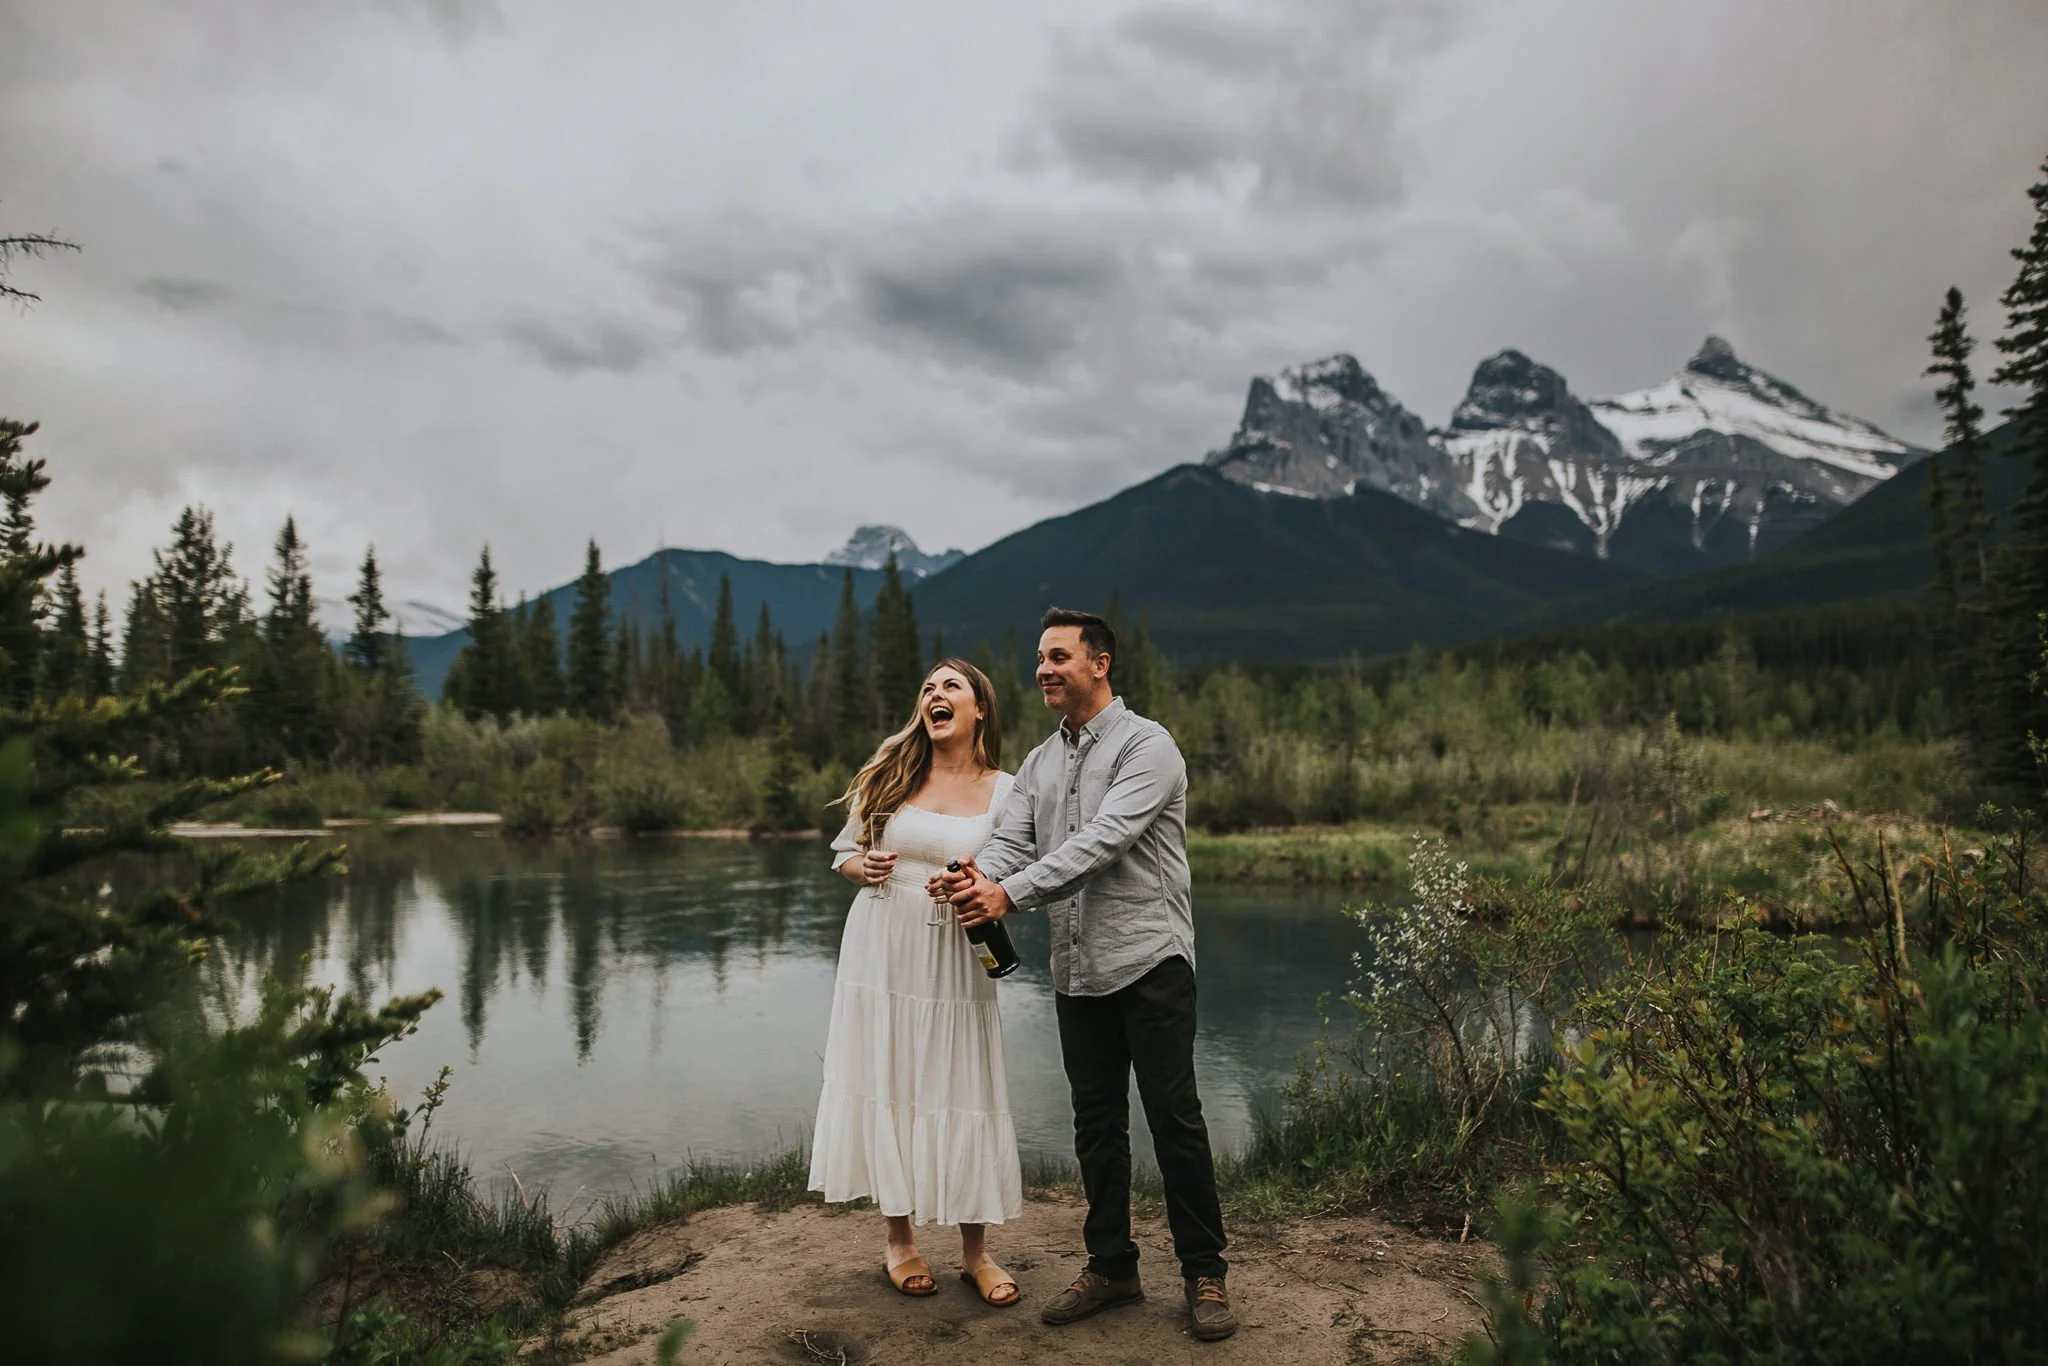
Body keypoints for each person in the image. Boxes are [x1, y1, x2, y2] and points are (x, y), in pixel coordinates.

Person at [937, 608, 1237, 1342]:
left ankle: (1205, 1272)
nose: (1043, 669)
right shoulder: (1039, 764)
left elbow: (1103, 843)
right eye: (1039, 656)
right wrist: (980, 877)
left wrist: (1009, 893)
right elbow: (1012, 841)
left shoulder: (1149, 747)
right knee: (1096, 1127)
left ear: (1099, 664)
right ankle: (1112, 1267)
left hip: (1151, 960)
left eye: (1059, 656)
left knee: (1174, 1120)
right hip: (1076, 970)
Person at [808, 658, 1024, 1308]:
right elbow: (843, 851)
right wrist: (863, 866)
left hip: (956, 951)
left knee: (964, 1079)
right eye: (927, 686)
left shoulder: (1007, 790)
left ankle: (975, 1253)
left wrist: (973, 883)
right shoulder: (890, 770)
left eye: (949, 686)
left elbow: (1015, 870)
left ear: (979, 708)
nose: (935, 695)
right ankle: (899, 1241)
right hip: (882, 944)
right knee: (890, 1075)